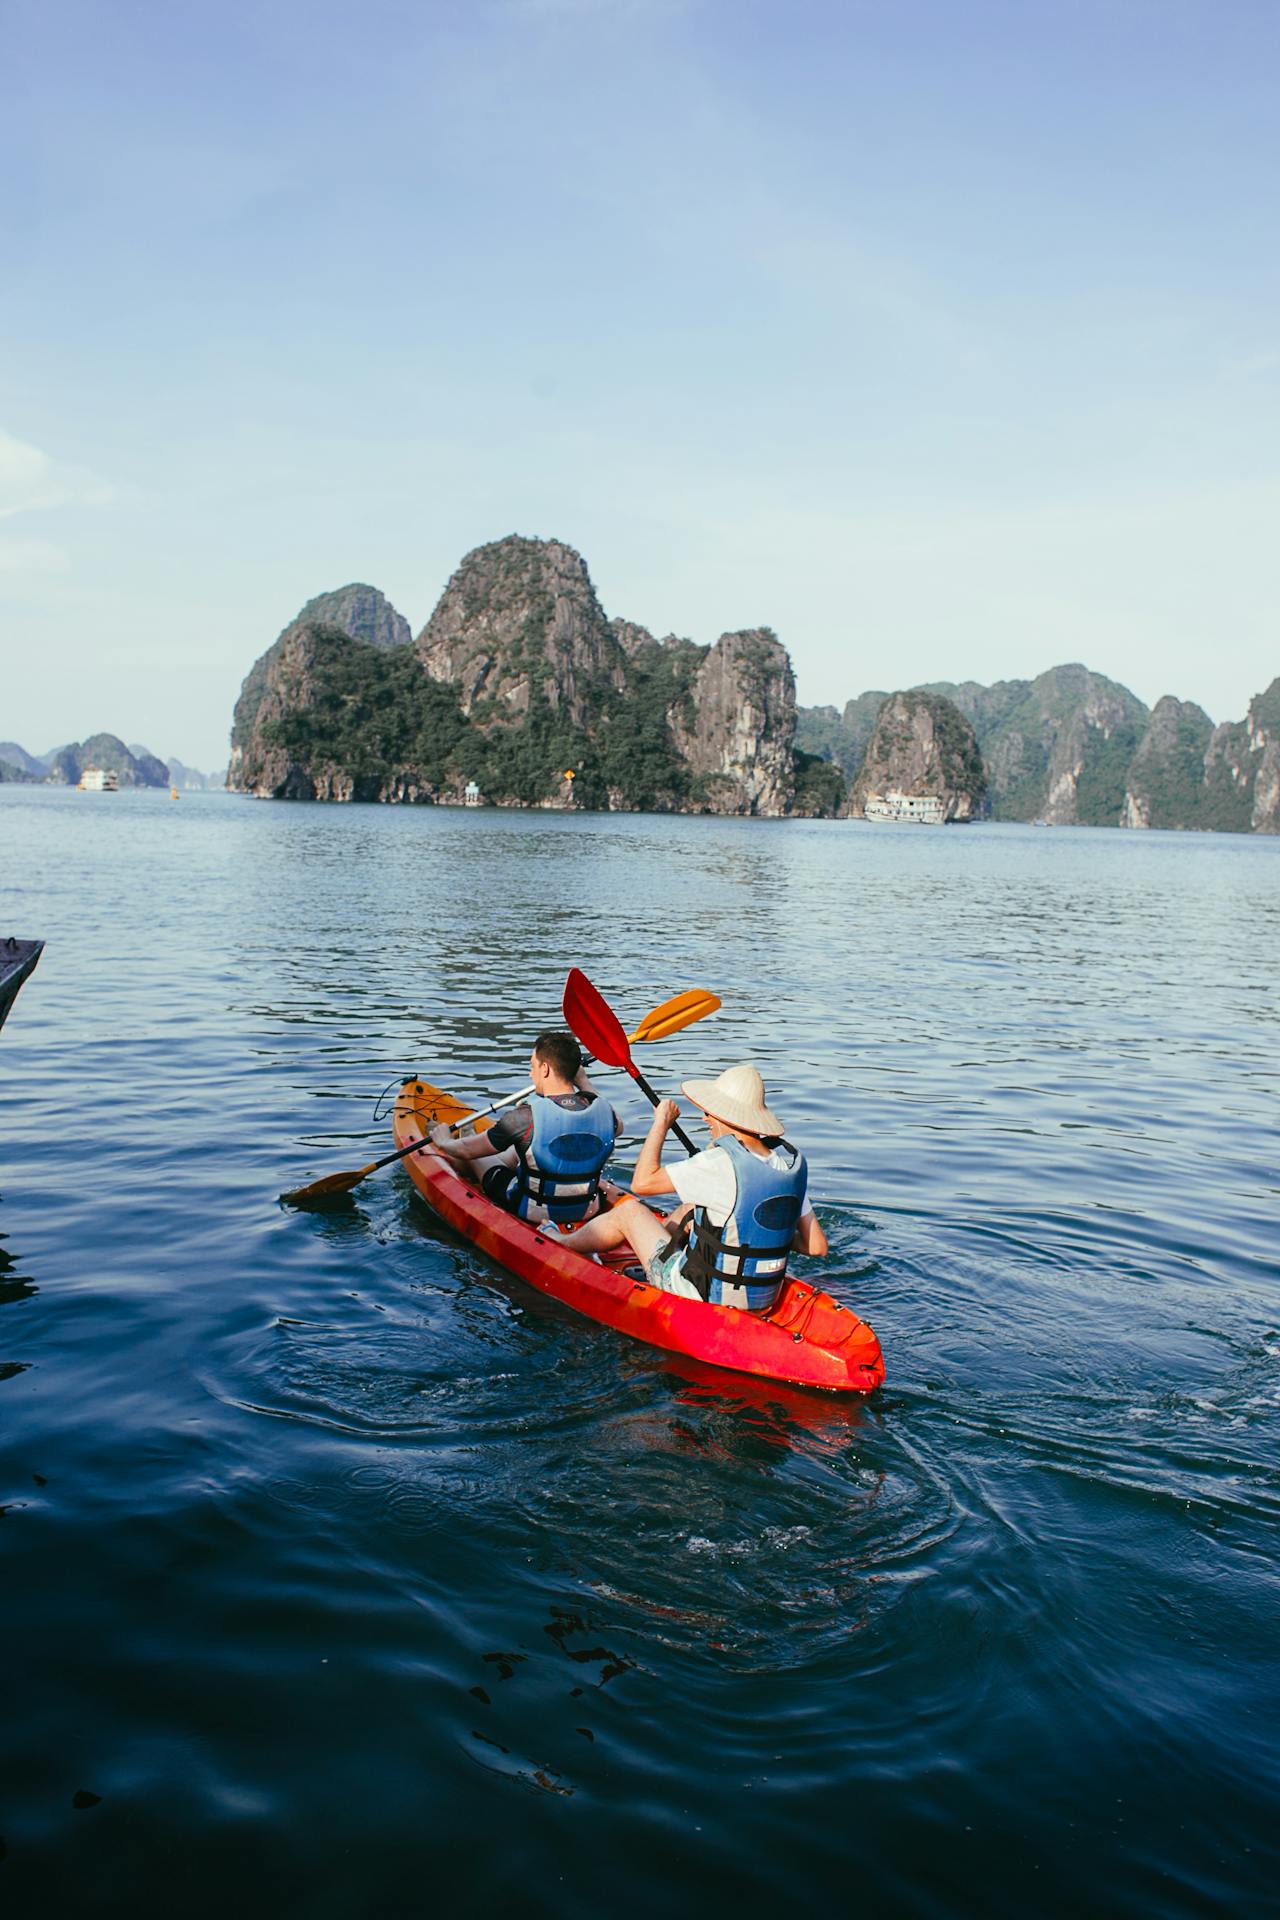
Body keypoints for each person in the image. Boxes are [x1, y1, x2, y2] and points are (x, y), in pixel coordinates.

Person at [557, 1063, 828, 1312]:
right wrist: (761, 1233)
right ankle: (654, 1250)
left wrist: (661, 1123)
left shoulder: (717, 1162)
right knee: (691, 1206)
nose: (705, 1119)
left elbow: (642, 1182)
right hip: (764, 1298)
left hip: (703, 1295)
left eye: (708, 1112)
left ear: (723, 1115)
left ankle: (561, 1243)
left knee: (629, 1213)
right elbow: (816, 1247)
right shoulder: (784, 1166)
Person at [429, 1029, 623, 1229]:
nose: (531, 1074)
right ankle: (482, 1143)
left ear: (545, 1069)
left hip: (534, 1210)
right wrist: (582, 1080)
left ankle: (470, 1140)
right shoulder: (604, 1112)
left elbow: (466, 1151)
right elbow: (617, 1126)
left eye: (532, 1066)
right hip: (588, 1208)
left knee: (477, 1155)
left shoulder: (525, 1117)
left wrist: (444, 1141)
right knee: (523, 1150)